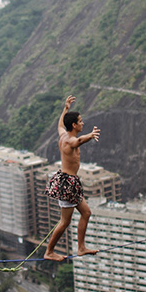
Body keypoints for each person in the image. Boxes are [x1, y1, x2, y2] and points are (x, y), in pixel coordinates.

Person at [44, 95, 100, 261]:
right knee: (64, 222)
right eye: (80, 121)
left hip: (70, 182)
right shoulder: (69, 141)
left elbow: (60, 125)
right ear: (74, 125)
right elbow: (79, 141)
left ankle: (81, 247)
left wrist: (66, 109)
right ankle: (49, 251)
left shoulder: (63, 134)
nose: (82, 123)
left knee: (86, 212)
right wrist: (90, 135)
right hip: (67, 184)